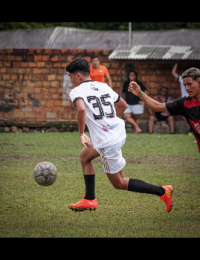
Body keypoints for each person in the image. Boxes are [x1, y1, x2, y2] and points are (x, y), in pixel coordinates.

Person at [66, 57, 174, 213]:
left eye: (70, 77)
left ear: (78, 76)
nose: (71, 81)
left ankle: (163, 191)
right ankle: (89, 199)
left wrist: (82, 133)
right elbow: (123, 105)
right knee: (85, 156)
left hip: (107, 140)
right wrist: (109, 123)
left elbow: (81, 109)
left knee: (119, 183)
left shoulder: (76, 91)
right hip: (117, 132)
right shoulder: (103, 86)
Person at [128, 67, 200, 153]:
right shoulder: (185, 103)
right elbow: (157, 106)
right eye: (185, 85)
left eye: (189, 84)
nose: (186, 88)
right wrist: (140, 94)